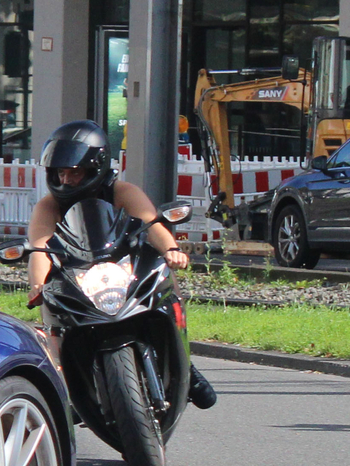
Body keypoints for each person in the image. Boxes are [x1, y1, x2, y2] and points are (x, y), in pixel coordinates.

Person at [23, 119, 216, 406]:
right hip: (76, 276)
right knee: (51, 314)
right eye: (61, 173)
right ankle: (68, 387)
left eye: (74, 173)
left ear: (94, 166)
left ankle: (184, 361)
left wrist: (172, 250)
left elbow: (152, 223)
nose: (66, 180)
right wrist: (37, 285)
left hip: (126, 266)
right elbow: (40, 248)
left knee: (162, 272)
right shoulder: (49, 205)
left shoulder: (121, 191)